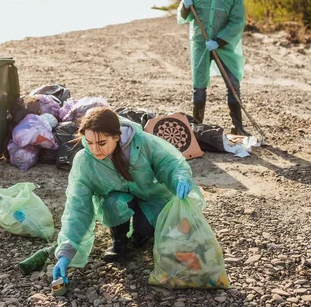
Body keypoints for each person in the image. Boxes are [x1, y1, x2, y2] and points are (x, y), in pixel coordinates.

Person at [52, 107, 204, 284]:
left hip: (151, 196)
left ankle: (142, 233)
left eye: (101, 143)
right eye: (90, 142)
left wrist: (180, 179)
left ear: (116, 136)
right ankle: (119, 238)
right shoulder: (84, 161)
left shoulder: (143, 143)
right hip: (118, 202)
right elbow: (77, 208)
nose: (95, 149)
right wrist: (65, 253)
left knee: (146, 226)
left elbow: (169, 164)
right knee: (113, 204)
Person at [178, 0, 250, 136]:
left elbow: (237, 22)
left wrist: (218, 41)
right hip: (200, 45)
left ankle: (238, 127)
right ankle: (196, 126)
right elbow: (184, 16)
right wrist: (185, 6)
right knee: (199, 85)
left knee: (232, 83)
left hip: (224, 47)